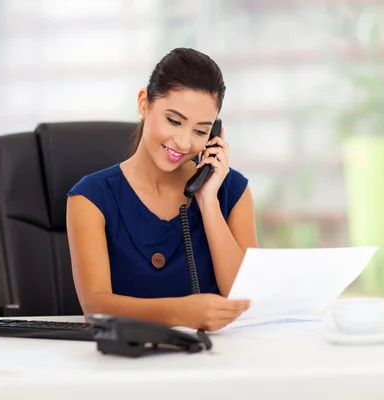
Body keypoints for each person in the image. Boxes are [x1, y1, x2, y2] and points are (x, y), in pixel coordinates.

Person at [66, 48, 258, 332]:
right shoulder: (90, 198)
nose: (183, 143)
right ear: (144, 103)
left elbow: (246, 299)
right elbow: (95, 308)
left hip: (217, 363)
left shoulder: (232, 191)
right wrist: (182, 312)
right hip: (126, 363)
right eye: (174, 121)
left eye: (200, 131)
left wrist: (208, 202)